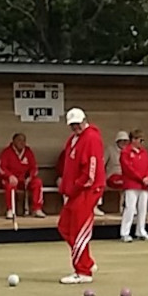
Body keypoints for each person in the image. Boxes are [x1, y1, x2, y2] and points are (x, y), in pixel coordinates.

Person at [57, 108, 105, 284]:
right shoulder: (73, 139)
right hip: (74, 191)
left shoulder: (91, 138)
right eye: (72, 125)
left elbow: (90, 171)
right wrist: (66, 188)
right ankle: (86, 262)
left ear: (84, 120)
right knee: (65, 226)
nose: (75, 127)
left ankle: (83, 271)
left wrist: (76, 187)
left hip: (87, 189)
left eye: (78, 123)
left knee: (78, 229)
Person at [0, 132, 45, 219]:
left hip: (25, 180)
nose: (22, 143)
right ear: (13, 141)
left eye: (23, 140)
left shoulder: (28, 152)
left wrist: (30, 177)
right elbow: (1, 167)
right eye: (19, 140)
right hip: (11, 180)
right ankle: (10, 210)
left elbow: (34, 168)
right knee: (9, 186)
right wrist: (10, 176)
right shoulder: (6, 152)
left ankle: (37, 209)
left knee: (38, 182)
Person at [119, 129, 148, 242]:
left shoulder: (144, 152)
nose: (142, 142)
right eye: (140, 140)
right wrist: (141, 178)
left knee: (143, 208)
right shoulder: (125, 152)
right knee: (130, 208)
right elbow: (128, 169)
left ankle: (141, 230)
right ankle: (125, 232)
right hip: (132, 184)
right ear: (133, 140)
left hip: (143, 185)